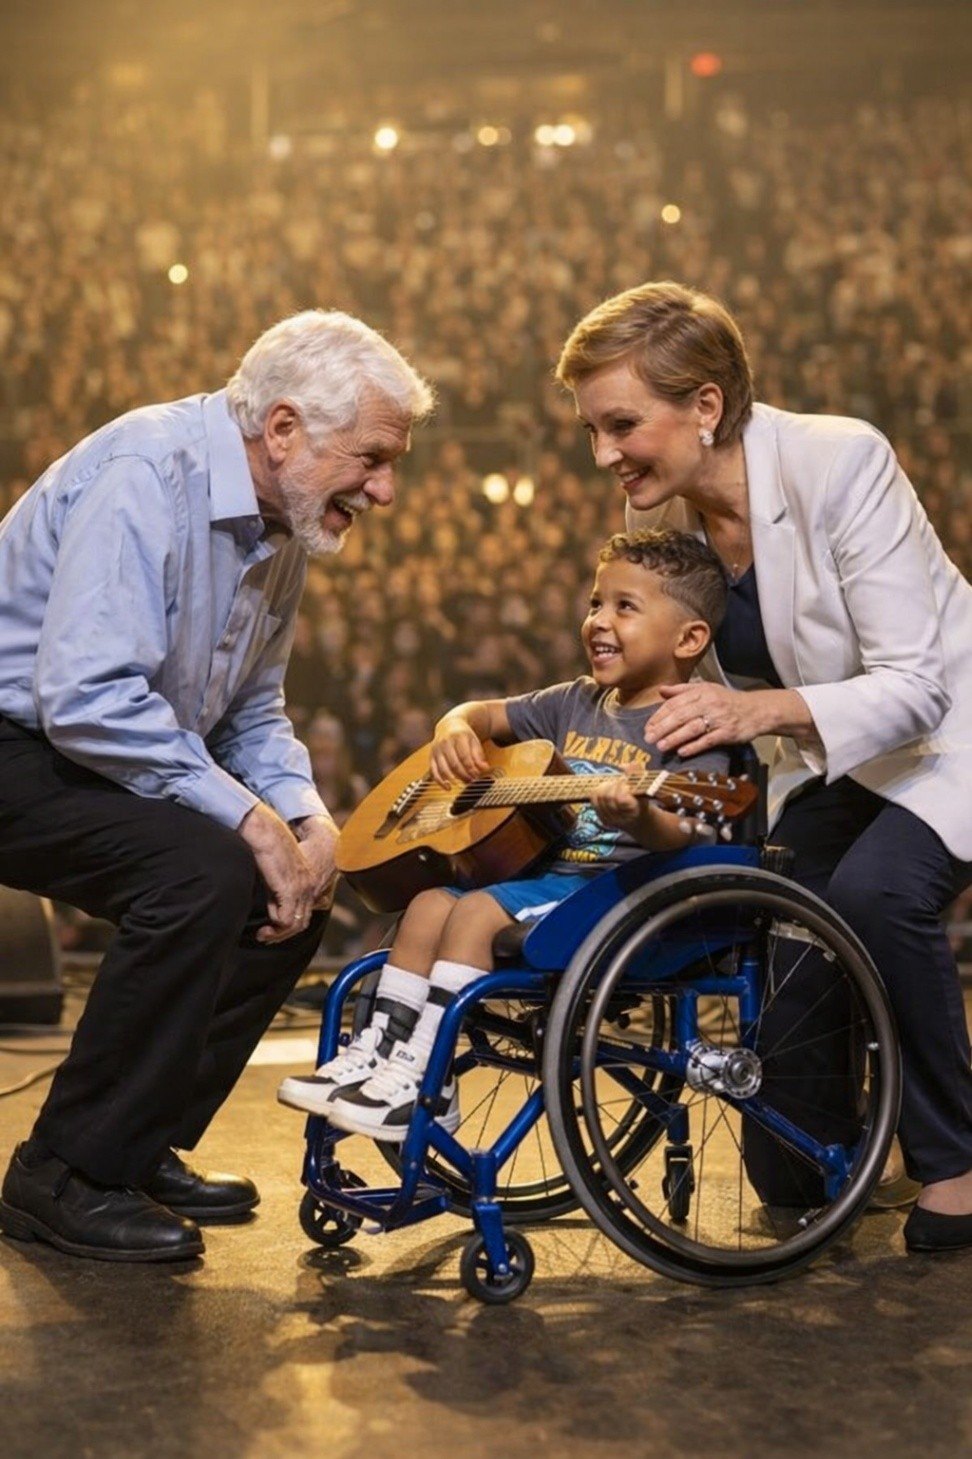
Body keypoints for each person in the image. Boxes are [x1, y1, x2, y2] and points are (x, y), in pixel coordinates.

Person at [0, 309, 433, 1263]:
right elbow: (79, 695)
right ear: (283, 429)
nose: (387, 489)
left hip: (96, 743)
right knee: (203, 869)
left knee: (299, 883)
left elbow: (250, 711)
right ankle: (62, 1172)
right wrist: (245, 815)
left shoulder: (281, 524)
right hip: (19, 741)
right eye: (371, 457)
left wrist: (307, 822)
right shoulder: (145, 475)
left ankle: (133, 1142)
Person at [556, 280, 972, 1251]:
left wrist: (756, 706)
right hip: (840, 762)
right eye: (591, 428)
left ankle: (954, 1157)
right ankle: (837, 1144)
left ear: (705, 405)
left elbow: (916, 684)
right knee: (773, 923)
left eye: (622, 424)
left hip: (955, 736)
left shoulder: (840, 458)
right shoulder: (680, 537)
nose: (603, 454)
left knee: (875, 895)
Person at [278, 528, 731, 1139]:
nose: (598, 620)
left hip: (614, 895)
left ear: (690, 637)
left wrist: (639, 816)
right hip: (545, 882)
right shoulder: (574, 701)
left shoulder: (697, 723)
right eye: (596, 602)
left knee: (473, 914)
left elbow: (685, 831)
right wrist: (453, 732)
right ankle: (381, 1054)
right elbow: (477, 714)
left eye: (625, 607)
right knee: (428, 904)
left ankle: (429, 1083)